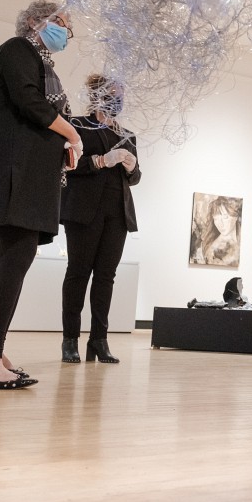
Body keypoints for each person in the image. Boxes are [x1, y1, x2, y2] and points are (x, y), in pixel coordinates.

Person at [0, 0, 83, 389]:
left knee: (15, 259)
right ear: (36, 22)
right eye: (61, 23)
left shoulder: (44, 64)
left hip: (30, 177)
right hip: (16, 175)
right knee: (15, 260)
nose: (66, 31)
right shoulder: (17, 49)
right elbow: (29, 102)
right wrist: (71, 133)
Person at [59, 74, 141, 364]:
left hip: (117, 214)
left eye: (121, 94)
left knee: (106, 277)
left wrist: (131, 167)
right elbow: (67, 163)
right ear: (98, 94)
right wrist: (99, 161)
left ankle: (99, 340)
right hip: (83, 211)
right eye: (113, 93)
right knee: (78, 273)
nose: (118, 99)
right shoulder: (77, 125)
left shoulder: (127, 135)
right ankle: (70, 341)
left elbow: (135, 177)